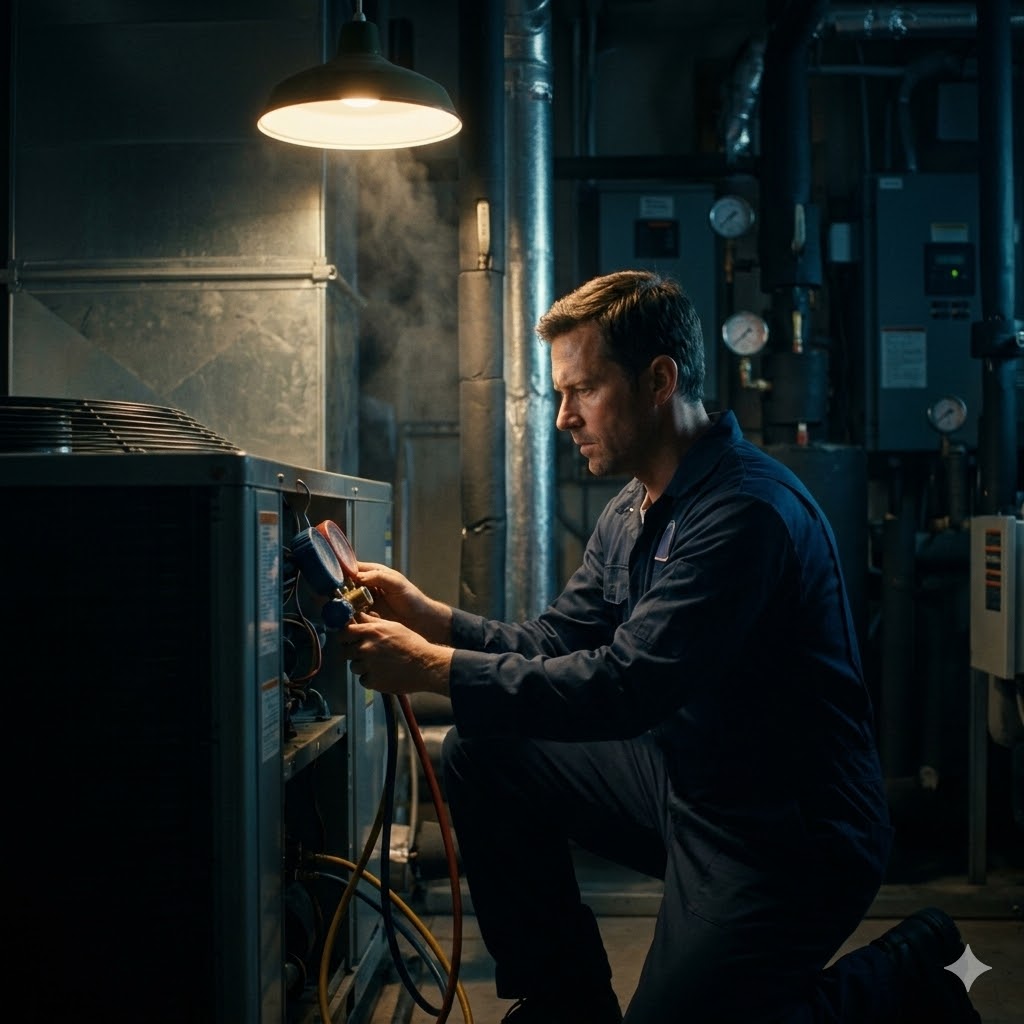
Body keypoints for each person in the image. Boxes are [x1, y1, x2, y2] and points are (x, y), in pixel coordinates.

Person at [340, 270, 981, 1023]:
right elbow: (554, 641)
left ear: (658, 381)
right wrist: (433, 619)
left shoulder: (744, 512)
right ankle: (566, 1002)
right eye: (558, 395)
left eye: (582, 391)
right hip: (688, 787)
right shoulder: (633, 508)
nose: (563, 418)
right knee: (486, 750)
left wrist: (430, 667)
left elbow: (624, 686)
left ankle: (910, 976)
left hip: (789, 834)